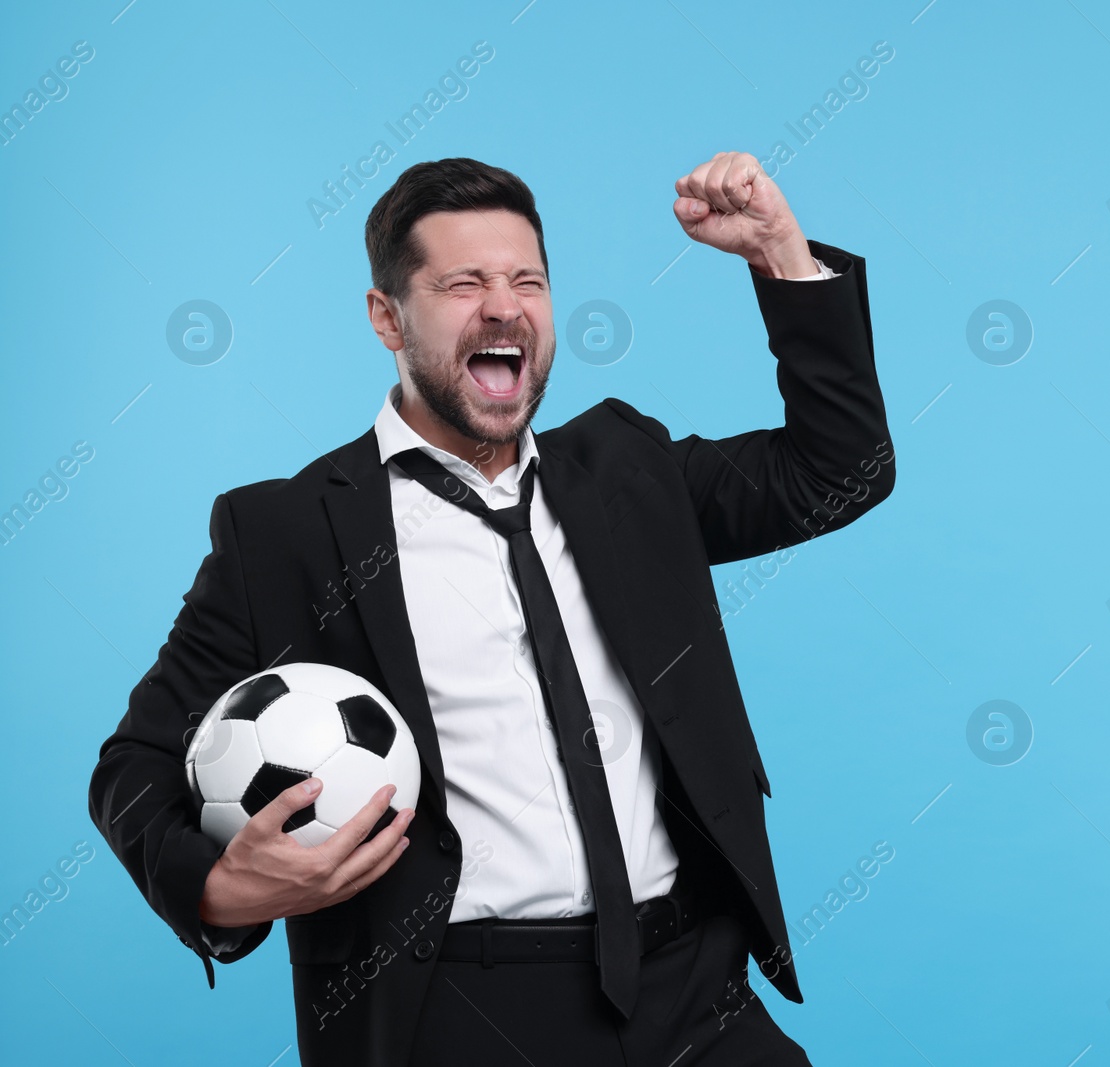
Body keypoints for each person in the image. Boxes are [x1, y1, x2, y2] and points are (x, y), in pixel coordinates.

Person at [87, 152, 895, 1066]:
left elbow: (843, 469)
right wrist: (216, 890)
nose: (504, 306)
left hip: (694, 989)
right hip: (465, 1012)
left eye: (528, 281)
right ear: (386, 317)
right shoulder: (286, 534)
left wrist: (781, 253)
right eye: (463, 283)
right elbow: (135, 763)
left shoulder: (628, 470)